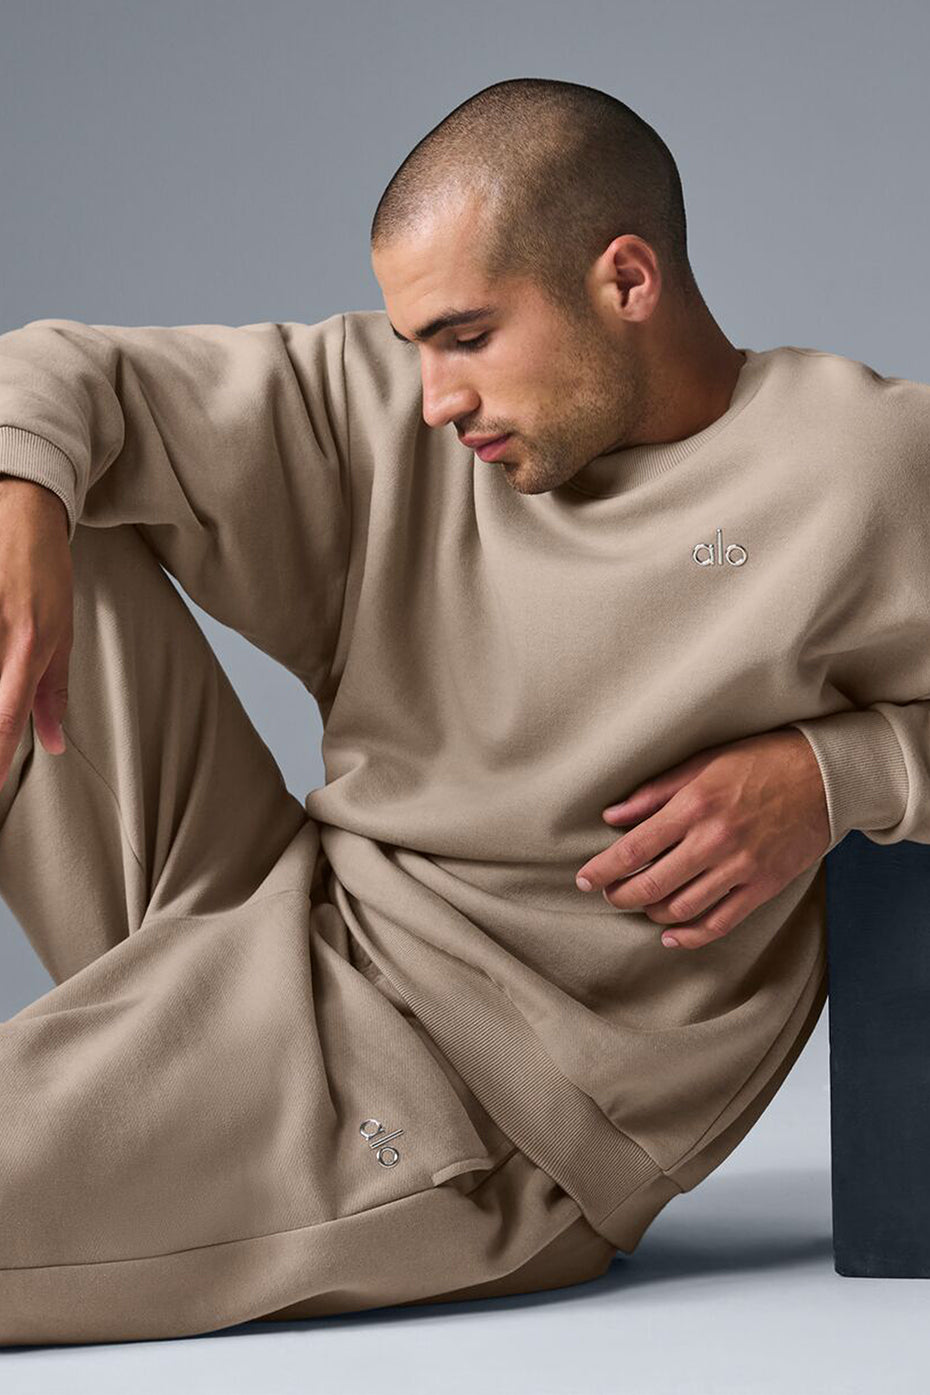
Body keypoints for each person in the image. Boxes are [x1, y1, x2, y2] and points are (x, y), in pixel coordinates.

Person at [1, 75, 929, 1348]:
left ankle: (162, 1121)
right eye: (417, 345)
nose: (435, 396)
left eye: (468, 336)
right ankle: (165, 1098)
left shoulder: (859, 467)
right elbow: (62, 371)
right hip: (275, 919)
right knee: (31, 480)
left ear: (627, 280)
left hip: (469, 1114)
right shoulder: (398, 411)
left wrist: (839, 775)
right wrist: (23, 506)